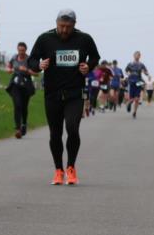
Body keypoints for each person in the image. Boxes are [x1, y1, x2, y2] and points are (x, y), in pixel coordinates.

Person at [28, 9, 100, 186]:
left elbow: (95, 56)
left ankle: (71, 167)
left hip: (75, 92)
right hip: (52, 93)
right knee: (55, 133)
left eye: (68, 27)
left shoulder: (84, 39)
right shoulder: (45, 38)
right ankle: (58, 170)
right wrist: (39, 65)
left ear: (74, 24)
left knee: (72, 128)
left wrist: (88, 67)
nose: (64, 30)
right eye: (61, 26)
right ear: (56, 23)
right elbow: (31, 60)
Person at [6, 41, 37, 138]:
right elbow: (9, 66)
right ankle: (17, 129)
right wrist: (9, 70)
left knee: (24, 106)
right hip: (15, 84)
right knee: (17, 105)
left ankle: (24, 124)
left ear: (25, 50)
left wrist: (27, 70)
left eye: (22, 50)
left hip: (26, 85)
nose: (21, 52)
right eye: (19, 50)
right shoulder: (14, 58)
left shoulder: (29, 59)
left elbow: (36, 73)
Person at [125, 51, 151, 119]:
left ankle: (134, 112)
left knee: (137, 99)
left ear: (140, 56)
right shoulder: (130, 64)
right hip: (131, 82)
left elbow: (145, 71)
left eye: (138, 55)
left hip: (138, 82)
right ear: (133, 56)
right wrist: (128, 74)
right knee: (131, 98)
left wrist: (147, 74)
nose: (137, 56)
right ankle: (129, 103)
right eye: (136, 55)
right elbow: (126, 70)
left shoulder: (141, 64)